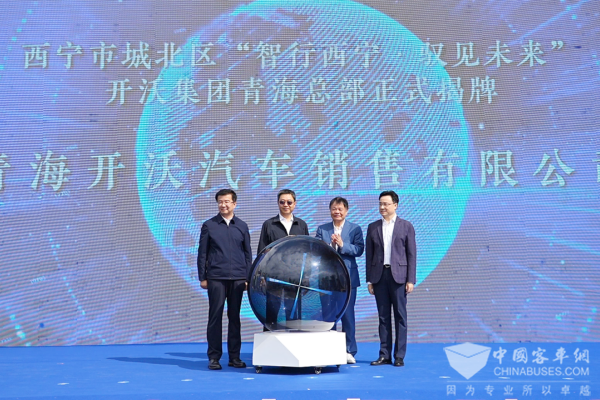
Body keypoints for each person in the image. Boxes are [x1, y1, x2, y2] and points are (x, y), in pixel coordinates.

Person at [197, 189, 252, 370]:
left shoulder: (242, 226)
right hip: (216, 277)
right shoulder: (209, 225)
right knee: (215, 316)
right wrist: (203, 277)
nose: (223, 205)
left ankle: (234, 357)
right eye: (220, 201)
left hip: (238, 278)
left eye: (227, 201)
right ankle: (214, 357)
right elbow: (202, 253)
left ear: (234, 204)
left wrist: (247, 277)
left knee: (234, 317)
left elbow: (247, 254)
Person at [365, 190, 416, 367]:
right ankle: (384, 354)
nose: (382, 207)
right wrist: (369, 280)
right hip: (379, 276)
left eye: (386, 204)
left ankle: (399, 356)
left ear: (395, 205)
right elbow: (370, 255)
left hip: (399, 277)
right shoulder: (373, 227)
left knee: (400, 316)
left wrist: (410, 280)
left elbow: (411, 254)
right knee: (383, 317)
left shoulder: (406, 226)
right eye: (380, 204)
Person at [315, 197, 364, 364]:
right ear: (330, 211)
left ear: (346, 211)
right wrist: (330, 246)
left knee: (348, 315)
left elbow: (359, 250)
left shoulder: (355, 229)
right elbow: (317, 250)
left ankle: (349, 350)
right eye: (334, 209)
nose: (337, 212)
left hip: (348, 279)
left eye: (340, 209)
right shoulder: (322, 229)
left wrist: (342, 244)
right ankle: (330, 349)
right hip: (327, 278)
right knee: (328, 315)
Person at [258, 189, 309, 330]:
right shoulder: (269, 224)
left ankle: (293, 342)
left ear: (295, 204)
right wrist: (262, 275)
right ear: (278, 203)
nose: (286, 205)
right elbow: (262, 251)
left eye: (289, 202)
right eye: (282, 202)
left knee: (293, 315)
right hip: (274, 276)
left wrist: (305, 276)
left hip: (295, 277)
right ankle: (269, 342)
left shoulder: (301, 225)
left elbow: (306, 253)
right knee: (272, 312)